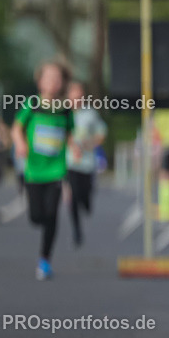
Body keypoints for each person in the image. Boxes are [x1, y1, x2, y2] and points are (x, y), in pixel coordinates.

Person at [11, 61, 74, 280]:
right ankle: (41, 223)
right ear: (40, 82)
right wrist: (20, 143)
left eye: (57, 78)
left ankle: (44, 260)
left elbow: (70, 132)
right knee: (37, 216)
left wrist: (74, 145)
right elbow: (17, 128)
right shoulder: (32, 104)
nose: (53, 82)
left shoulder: (65, 109)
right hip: (34, 170)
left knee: (52, 215)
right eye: (49, 78)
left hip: (56, 170)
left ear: (62, 83)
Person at [64, 81, 106, 246]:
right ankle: (76, 230)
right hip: (70, 162)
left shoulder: (90, 114)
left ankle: (87, 202)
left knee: (84, 194)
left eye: (79, 95)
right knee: (73, 196)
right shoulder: (63, 113)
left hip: (87, 163)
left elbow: (101, 133)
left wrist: (89, 144)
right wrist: (71, 145)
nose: (77, 98)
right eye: (74, 94)